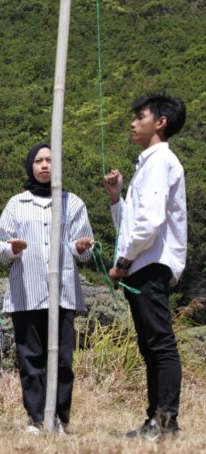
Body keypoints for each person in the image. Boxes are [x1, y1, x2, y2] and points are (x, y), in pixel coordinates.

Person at [0, 143, 94, 434]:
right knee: (30, 358)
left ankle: (60, 418)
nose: (45, 165)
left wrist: (81, 247)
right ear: (30, 166)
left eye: (50, 160)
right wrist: (12, 248)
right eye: (38, 160)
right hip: (26, 292)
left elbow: (86, 250)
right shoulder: (16, 203)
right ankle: (36, 418)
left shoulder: (72, 202)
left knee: (62, 359)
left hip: (61, 293)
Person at [103, 94, 187, 441]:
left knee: (159, 343)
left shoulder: (159, 161)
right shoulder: (148, 164)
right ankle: (157, 419)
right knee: (150, 345)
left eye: (140, 116)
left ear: (161, 122)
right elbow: (133, 224)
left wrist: (123, 262)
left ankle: (165, 422)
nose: (133, 123)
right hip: (143, 264)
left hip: (148, 265)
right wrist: (115, 198)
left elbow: (149, 223)